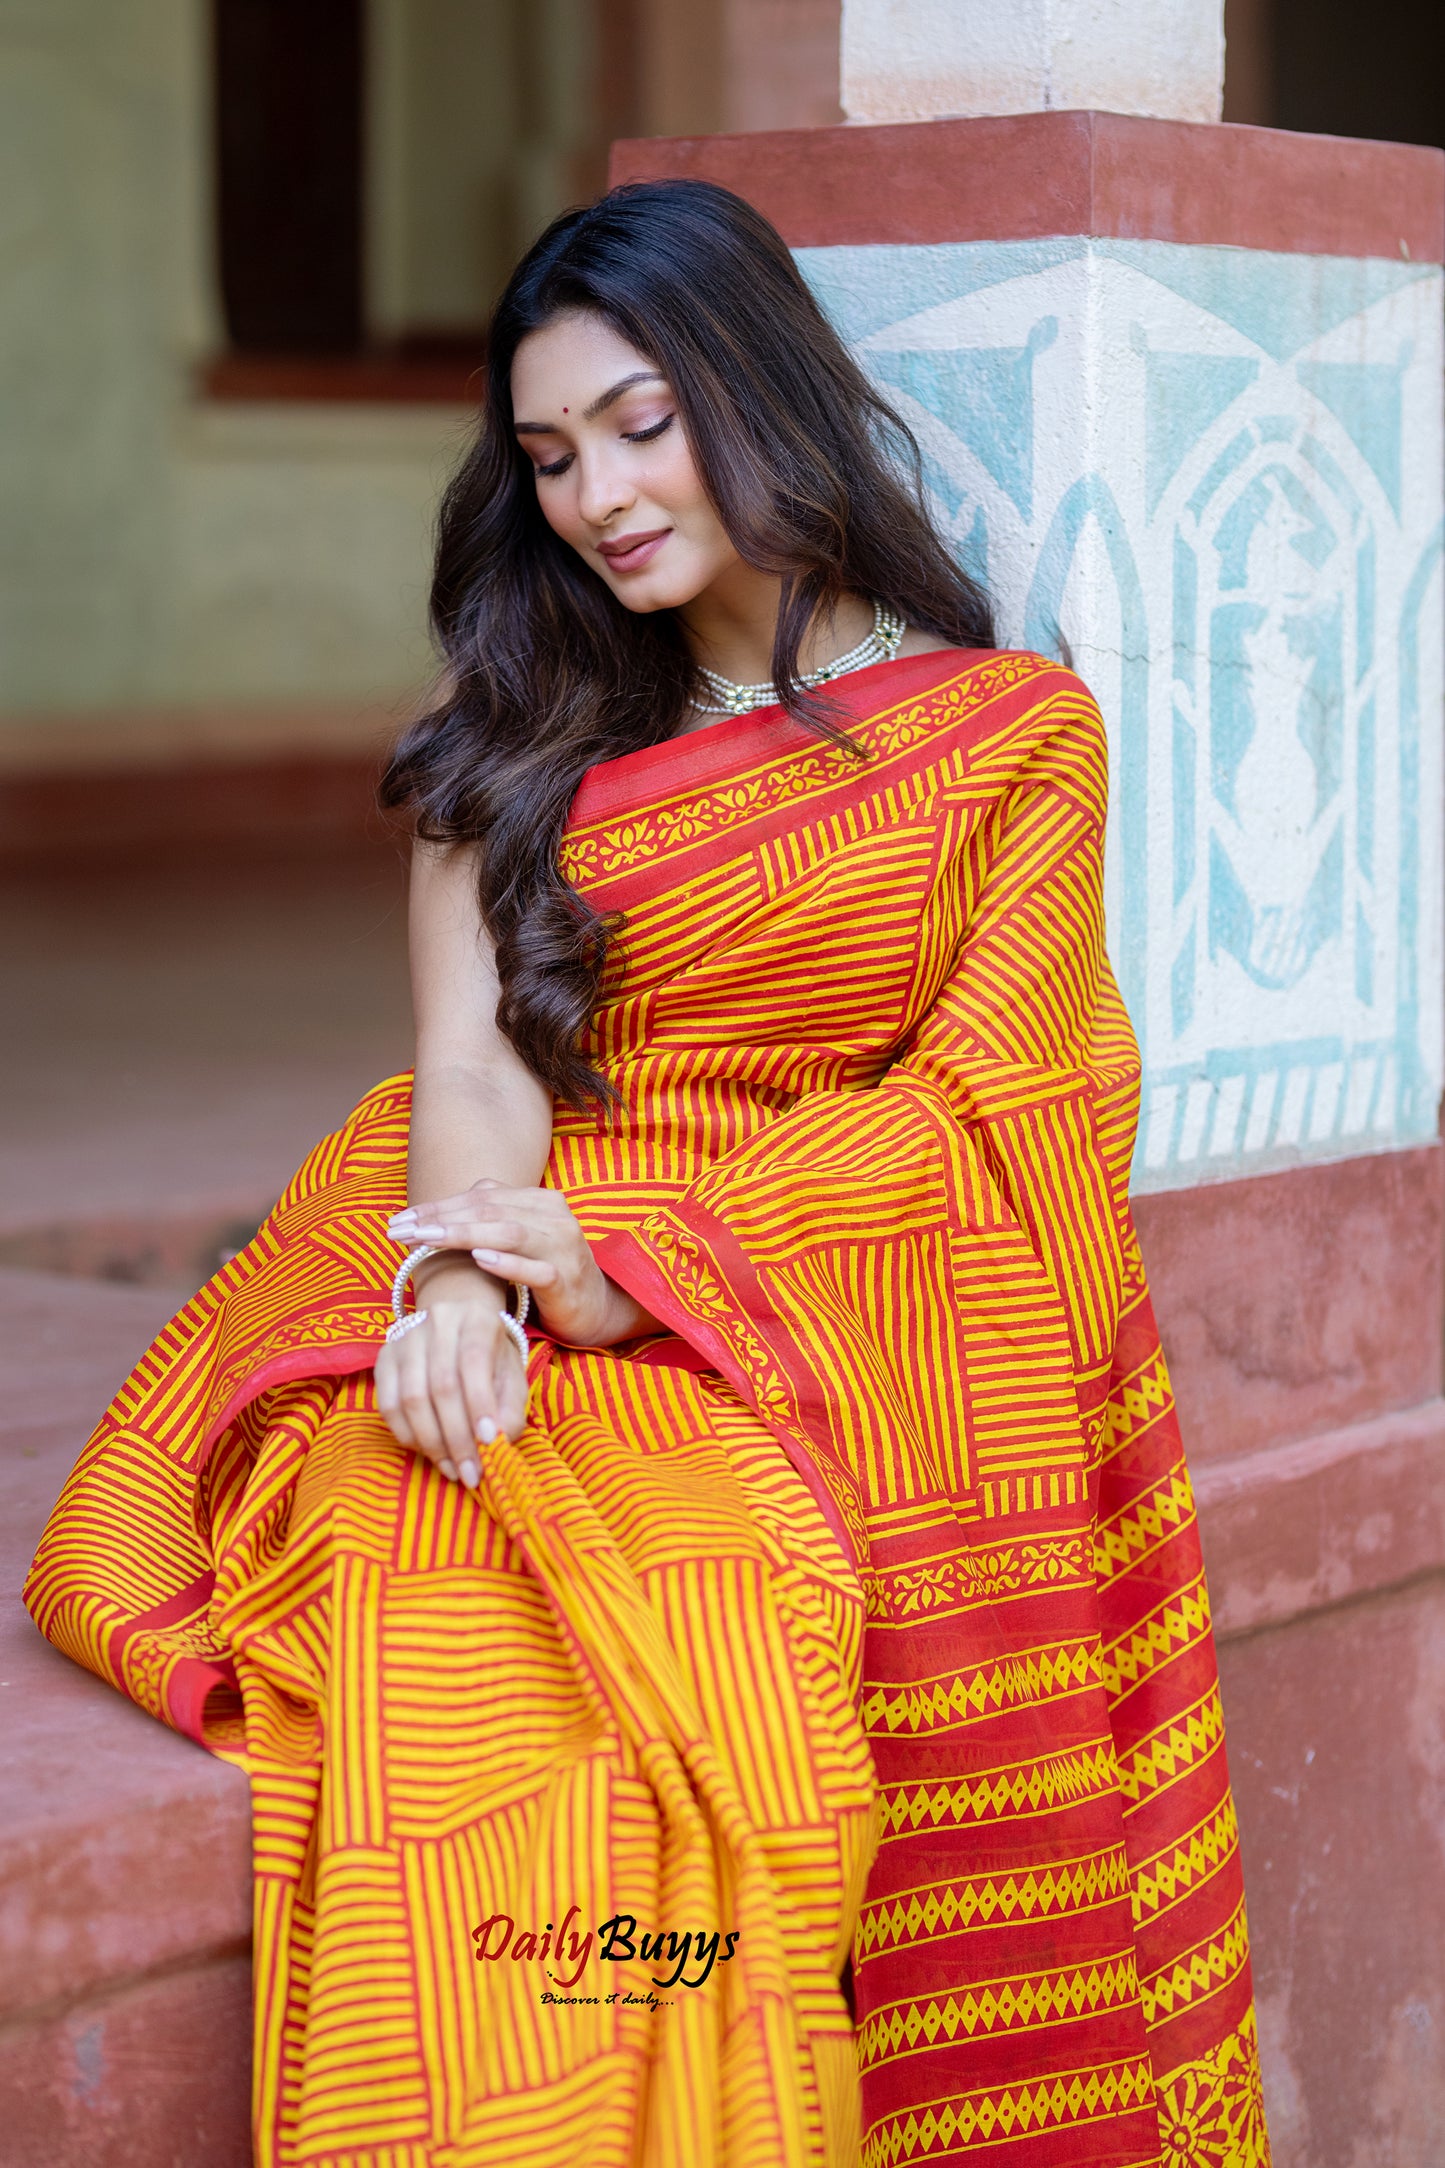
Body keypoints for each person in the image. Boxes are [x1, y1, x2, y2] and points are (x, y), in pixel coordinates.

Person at [25, 180, 1270, 2168]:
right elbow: (469, 1062)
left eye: (634, 422)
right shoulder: (509, 745)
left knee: (733, 1630)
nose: (594, 493)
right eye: (545, 458)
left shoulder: (1011, 742)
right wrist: (456, 1284)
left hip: (790, 1294)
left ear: (752, 385)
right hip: (493, 1221)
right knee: (423, 1564)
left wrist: (642, 1264)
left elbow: (993, 1114)